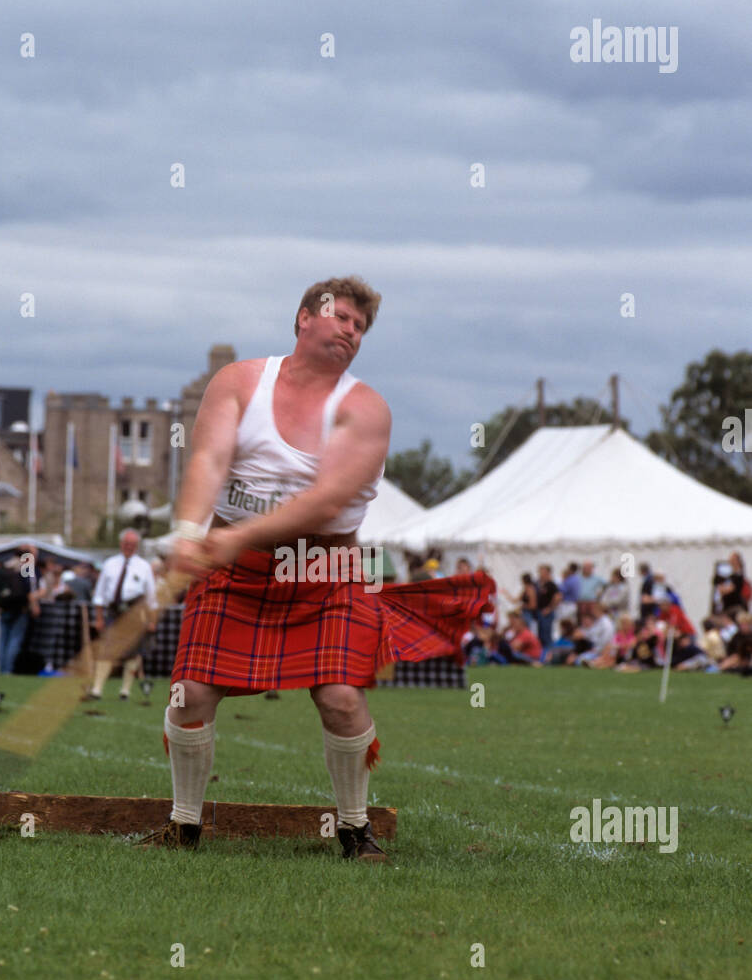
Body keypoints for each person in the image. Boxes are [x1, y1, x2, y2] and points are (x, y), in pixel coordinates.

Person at [142, 276, 495, 863]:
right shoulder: (239, 382)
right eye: (341, 317)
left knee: (340, 699)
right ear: (304, 318)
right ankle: (184, 825)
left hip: (323, 568)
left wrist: (239, 538)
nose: (351, 330)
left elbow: (325, 502)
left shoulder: (364, 409)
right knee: (190, 694)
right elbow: (206, 458)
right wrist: (186, 533)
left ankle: (356, 831)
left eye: (361, 326)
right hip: (238, 572)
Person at [87, 529, 157, 701]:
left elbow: (151, 596)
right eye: (126, 543)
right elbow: (100, 594)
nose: (129, 547)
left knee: (132, 653)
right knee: (106, 650)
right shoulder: (110, 564)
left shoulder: (144, 566)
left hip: (135, 613)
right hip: (113, 611)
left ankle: (125, 690)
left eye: (132, 544)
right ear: (121, 544)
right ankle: (97, 689)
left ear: (137, 546)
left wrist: (152, 620)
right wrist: (99, 618)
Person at [0, 546, 40, 674]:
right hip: (19, 608)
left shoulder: (5, 567)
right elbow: (30, 590)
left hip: (4, 606)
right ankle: (8, 669)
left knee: (3, 638)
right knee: (15, 638)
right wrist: (35, 603)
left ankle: (1, 668)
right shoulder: (26, 568)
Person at [534, 564, 559, 652]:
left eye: (543, 572)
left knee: (546, 634)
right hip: (539, 611)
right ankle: (542, 653)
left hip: (546, 613)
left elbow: (557, 597)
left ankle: (549, 653)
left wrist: (549, 608)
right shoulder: (538, 584)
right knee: (540, 634)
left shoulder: (551, 584)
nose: (541, 574)